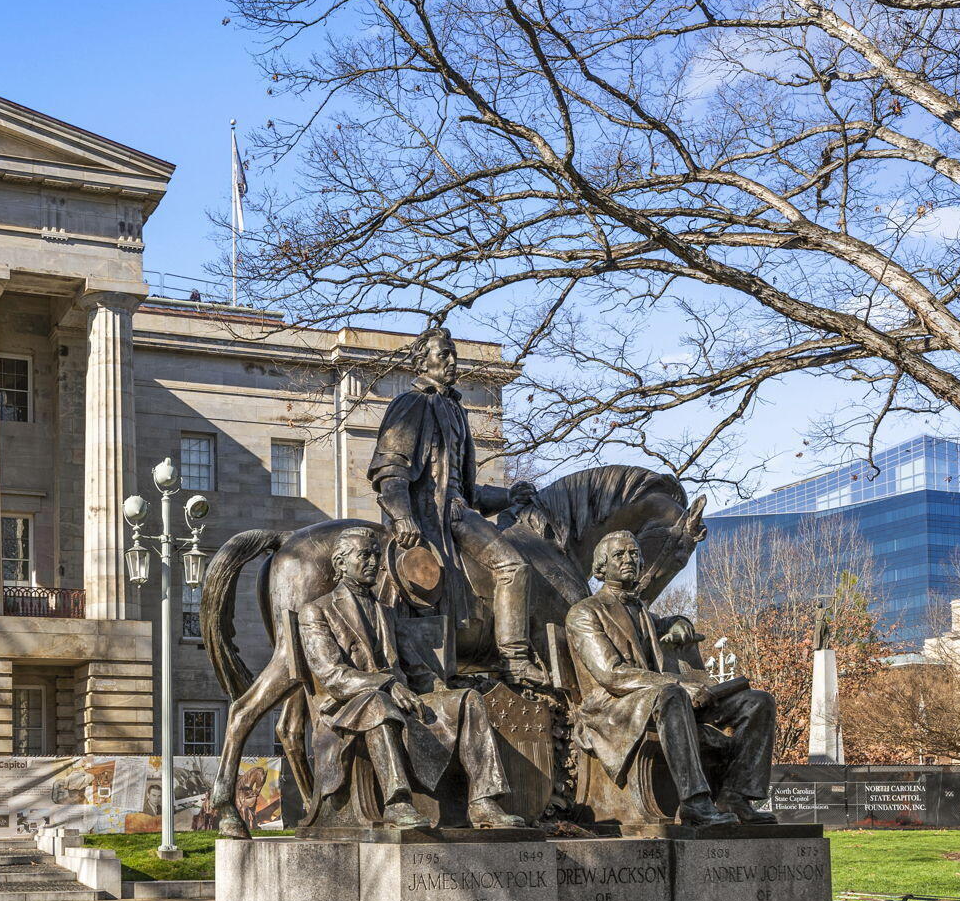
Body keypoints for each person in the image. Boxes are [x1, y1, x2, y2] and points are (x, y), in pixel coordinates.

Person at [297, 527, 532, 829]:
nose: (375, 563)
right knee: (378, 703)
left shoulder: (386, 611)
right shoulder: (316, 611)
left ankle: (483, 802)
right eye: (364, 555)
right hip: (347, 708)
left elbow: (414, 666)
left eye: (377, 556)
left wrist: (440, 691)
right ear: (341, 563)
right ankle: (397, 803)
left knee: (467, 701)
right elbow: (332, 676)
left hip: (399, 698)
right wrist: (386, 684)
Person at [369, 326, 549, 685]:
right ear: (422, 361)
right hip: (437, 516)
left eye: (453, 354)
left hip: (457, 509)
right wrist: (402, 515)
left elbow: (467, 490)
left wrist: (510, 496)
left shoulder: (455, 410)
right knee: (513, 565)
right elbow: (391, 469)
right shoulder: (411, 404)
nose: (452, 361)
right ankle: (514, 658)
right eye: (443, 354)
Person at [565, 531, 776, 826]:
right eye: (619, 555)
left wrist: (681, 622)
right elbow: (611, 674)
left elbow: (666, 624)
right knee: (672, 694)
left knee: (758, 702)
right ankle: (694, 802)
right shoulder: (584, 613)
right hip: (614, 708)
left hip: (662, 699)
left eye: (634, 554)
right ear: (601, 567)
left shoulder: (642, 611)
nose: (629, 559)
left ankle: (735, 796)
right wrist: (676, 683)